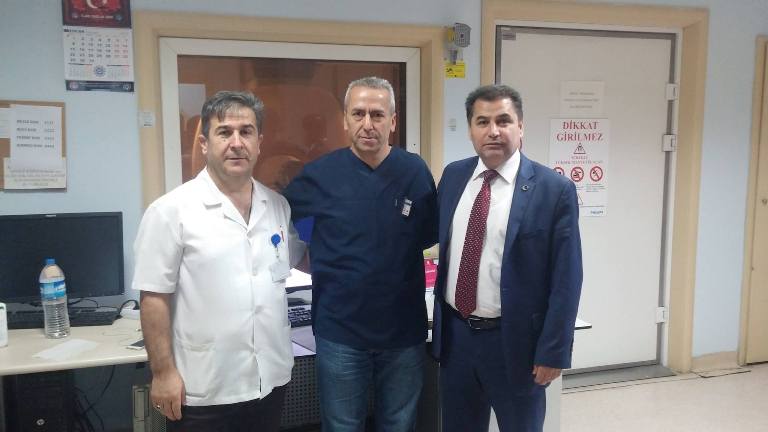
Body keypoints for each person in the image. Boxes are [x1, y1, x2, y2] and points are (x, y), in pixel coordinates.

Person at [133, 91, 306, 431]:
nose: (236, 143)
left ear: (259, 142)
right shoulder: (170, 211)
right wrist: (163, 372)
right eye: (224, 132)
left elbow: (281, 268)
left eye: (246, 132)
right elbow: (153, 297)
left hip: (269, 378)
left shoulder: (277, 206)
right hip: (204, 387)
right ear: (204, 143)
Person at [282, 77, 438, 431]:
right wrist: (325, 263)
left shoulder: (414, 172)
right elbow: (291, 232)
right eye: (359, 114)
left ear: (393, 122)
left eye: (378, 115)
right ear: (345, 120)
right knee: (342, 426)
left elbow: (426, 234)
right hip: (340, 333)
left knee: (399, 424)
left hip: (403, 332)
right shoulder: (318, 177)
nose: (368, 124)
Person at [431, 84, 583, 432]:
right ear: (470, 129)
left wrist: (554, 351)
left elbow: (567, 278)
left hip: (516, 344)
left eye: (503, 121)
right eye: (482, 122)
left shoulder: (553, 190)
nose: (493, 131)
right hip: (457, 339)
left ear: (521, 127)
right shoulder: (454, 176)